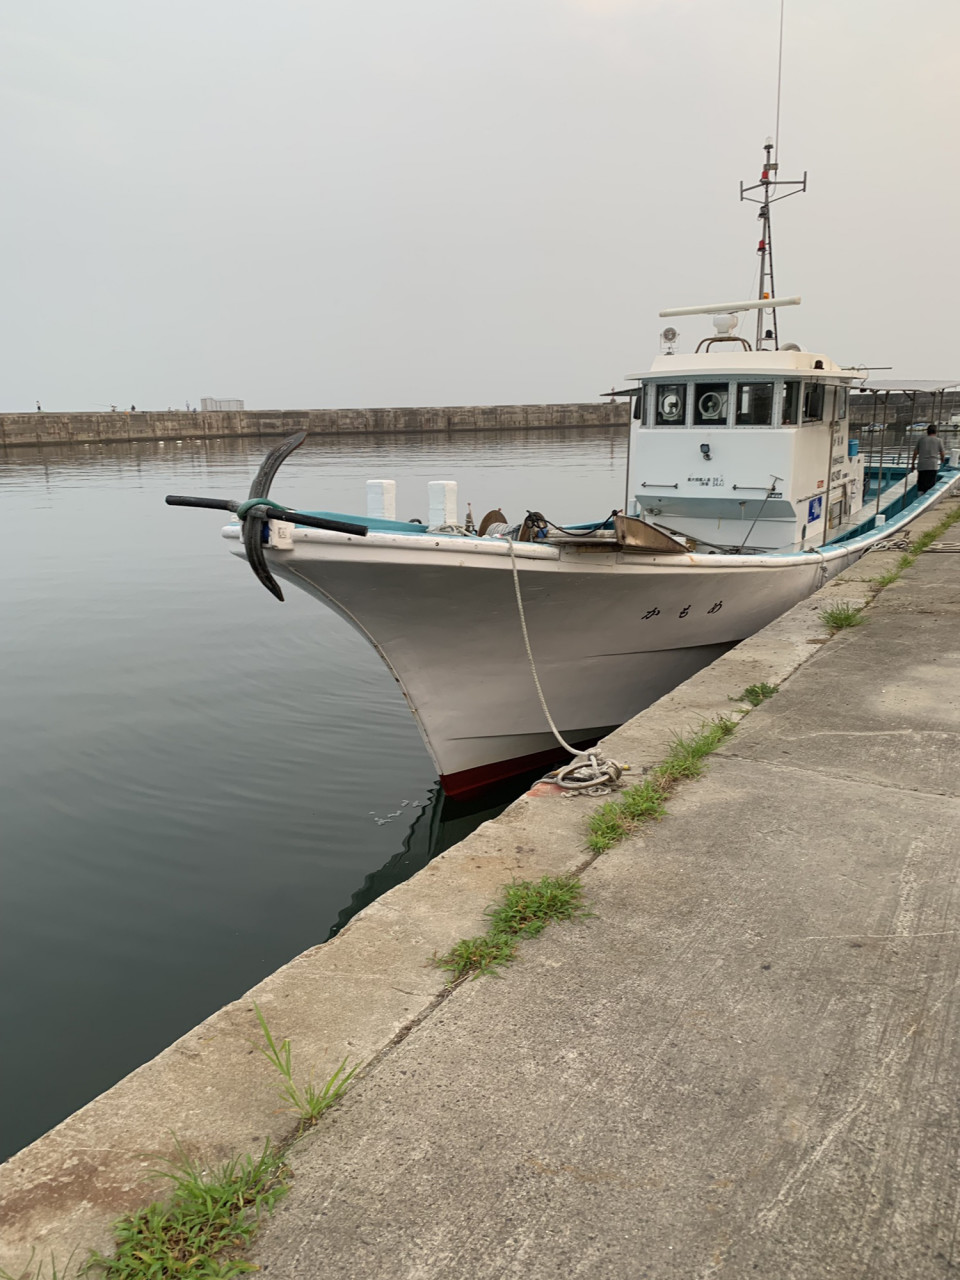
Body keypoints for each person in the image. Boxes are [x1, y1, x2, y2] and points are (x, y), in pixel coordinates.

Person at [912, 424, 946, 494]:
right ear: (935, 432)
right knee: (931, 484)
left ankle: (920, 497)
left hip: (922, 465)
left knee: (921, 484)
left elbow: (915, 453)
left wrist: (912, 464)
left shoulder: (921, 440)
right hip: (932, 465)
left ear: (927, 432)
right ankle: (928, 498)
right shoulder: (939, 440)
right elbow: (942, 453)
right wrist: (942, 460)